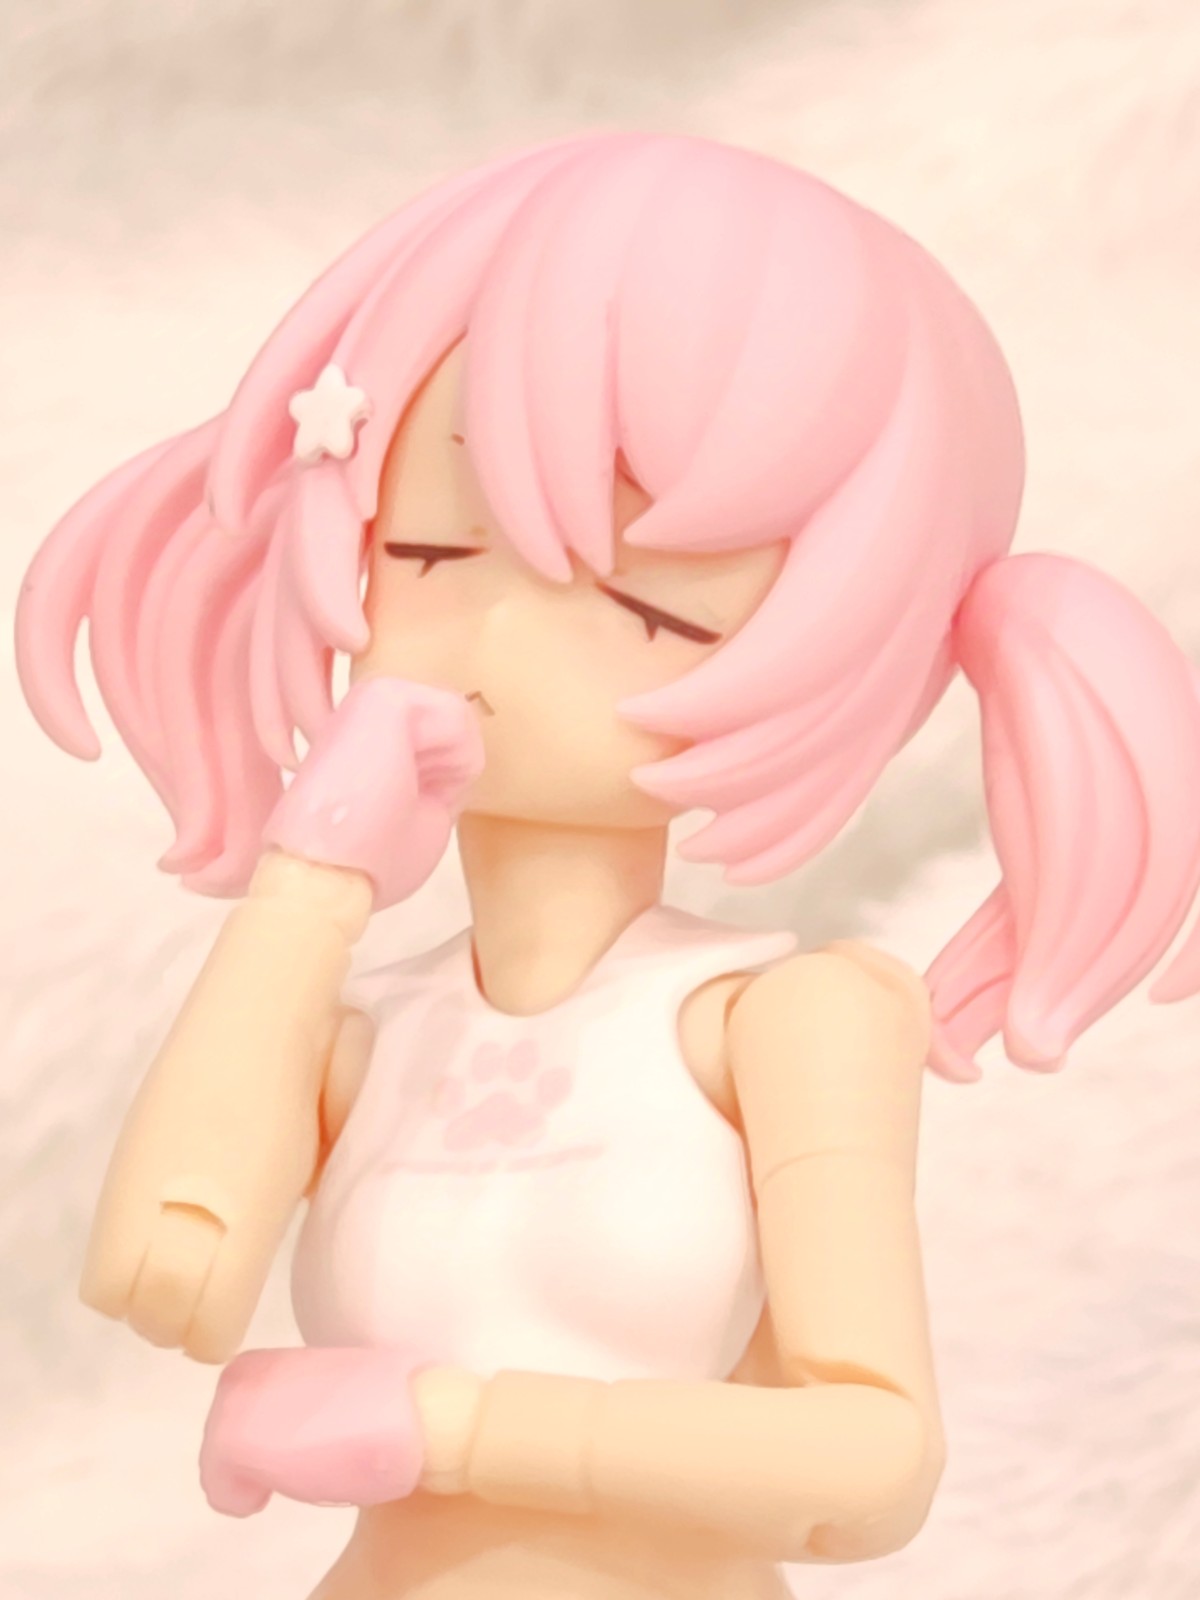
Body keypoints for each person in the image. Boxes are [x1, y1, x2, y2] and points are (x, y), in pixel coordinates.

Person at [15, 131, 1200, 1599]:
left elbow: (871, 1459)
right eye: (433, 554)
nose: (499, 638)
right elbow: (165, 1276)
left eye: (654, 610)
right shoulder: (357, 1034)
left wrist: (447, 1428)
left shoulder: (779, 1022)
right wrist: (309, 878)